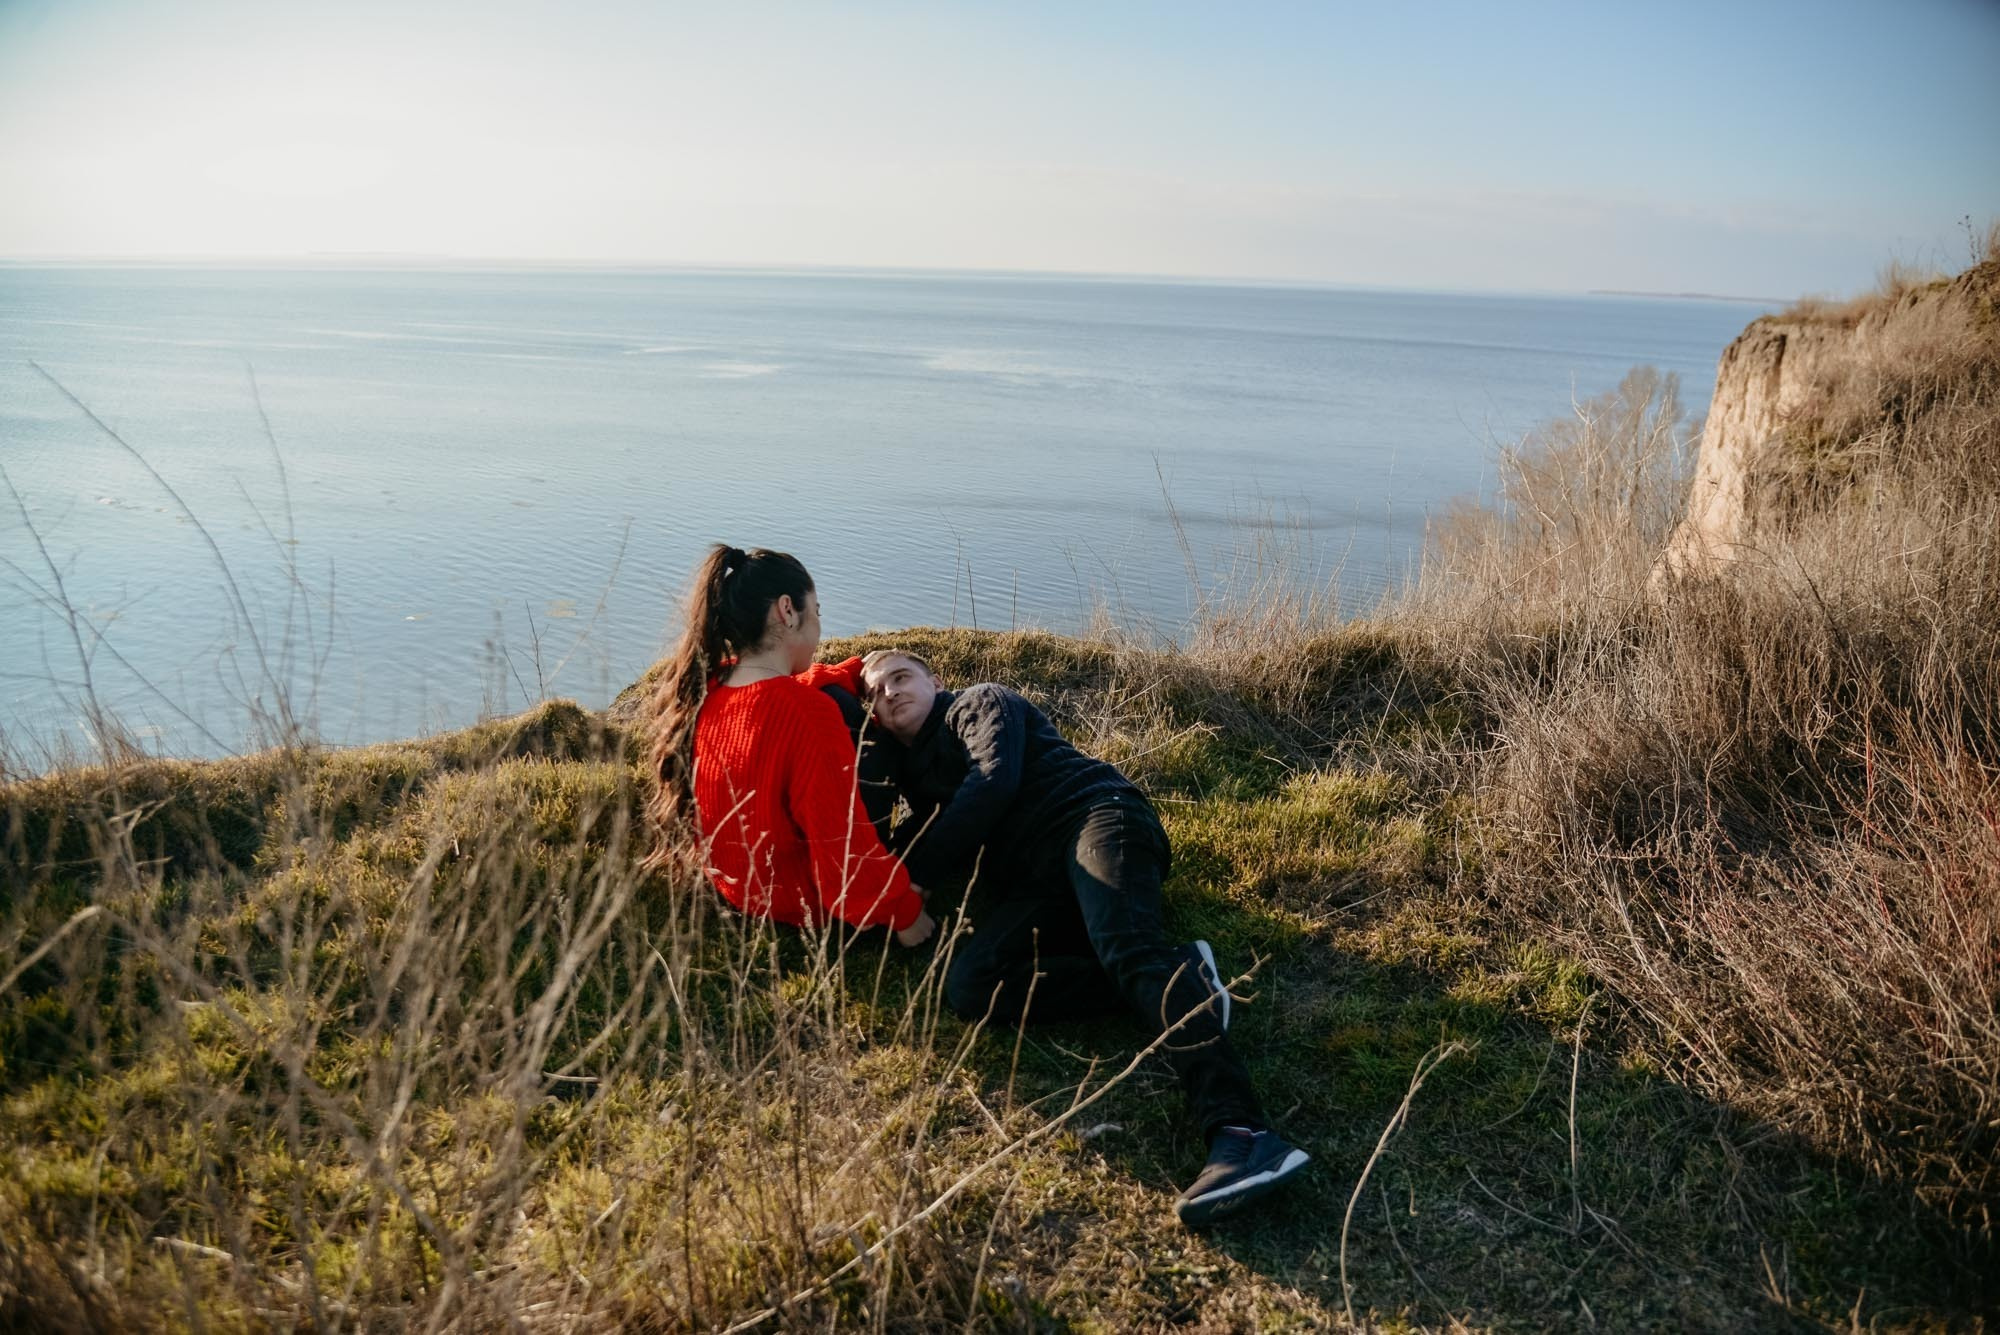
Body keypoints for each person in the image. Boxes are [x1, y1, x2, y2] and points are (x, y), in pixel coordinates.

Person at [859, 648, 1308, 1226]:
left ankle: (1244, 1134)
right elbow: (908, 837)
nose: (890, 692)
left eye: (901, 677)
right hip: (1038, 883)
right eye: (874, 692)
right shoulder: (912, 775)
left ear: (935, 681)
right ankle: (1185, 979)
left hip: (1094, 819)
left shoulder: (977, 703)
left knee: (1129, 949)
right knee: (972, 987)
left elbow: (992, 782)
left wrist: (917, 880)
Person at [644, 544, 935, 946]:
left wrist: (848, 673)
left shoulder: (712, 688)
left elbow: (783, 691)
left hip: (740, 887)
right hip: (802, 902)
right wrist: (903, 912)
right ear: (787, 610)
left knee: (837, 700)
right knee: (876, 741)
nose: (819, 626)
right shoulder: (808, 714)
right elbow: (840, 843)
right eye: (817, 611)